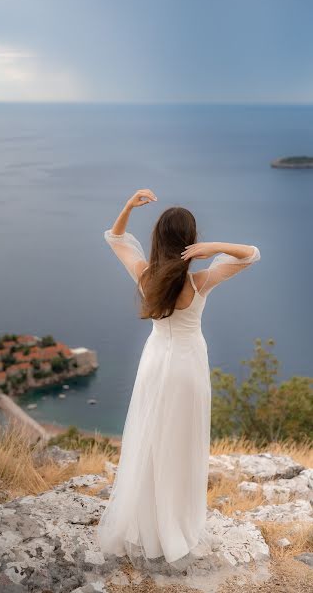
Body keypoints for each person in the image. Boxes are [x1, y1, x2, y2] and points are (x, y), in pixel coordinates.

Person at [97, 189, 261, 573]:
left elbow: (116, 238)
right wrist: (211, 247)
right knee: (181, 444)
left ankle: (147, 524)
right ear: (191, 242)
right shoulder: (201, 281)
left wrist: (126, 207)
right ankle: (176, 525)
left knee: (149, 441)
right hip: (188, 369)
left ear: (156, 240)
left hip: (155, 364)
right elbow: (251, 253)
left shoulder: (144, 275)